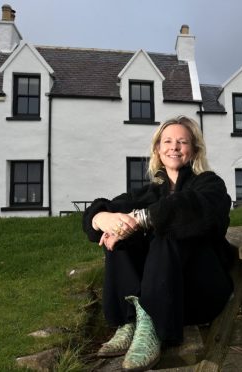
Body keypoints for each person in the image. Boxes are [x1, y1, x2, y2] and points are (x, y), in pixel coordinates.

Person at [82, 116, 234, 371]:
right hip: (163, 292)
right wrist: (104, 219)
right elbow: (105, 208)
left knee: (169, 231)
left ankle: (152, 324)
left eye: (182, 142)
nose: (174, 147)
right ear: (157, 149)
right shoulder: (150, 192)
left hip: (199, 290)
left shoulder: (209, 183)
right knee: (122, 236)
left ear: (194, 150)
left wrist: (141, 218)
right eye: (168, 141)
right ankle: (131, 320)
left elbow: (189, 208)